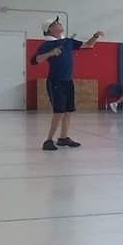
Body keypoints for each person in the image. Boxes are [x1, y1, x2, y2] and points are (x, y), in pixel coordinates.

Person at [31, 18, 104, 151]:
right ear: (50, 29)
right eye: (57, 23)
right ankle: (48, 140)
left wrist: (95, 36)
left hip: (68, 81)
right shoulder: (47, 44)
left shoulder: (68, 42)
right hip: (55, 81)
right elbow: (36, 60)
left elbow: (88, 45)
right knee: (59, 111)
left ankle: (63, 138)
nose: (60, 24)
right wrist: (51, 53)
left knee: (68, 111)